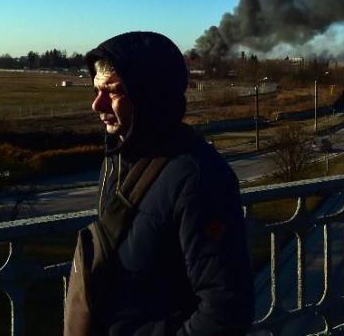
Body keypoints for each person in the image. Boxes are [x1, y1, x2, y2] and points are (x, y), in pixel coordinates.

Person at [78, 31, 254, 335]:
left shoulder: (199, 178)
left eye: (114, 91)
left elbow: (225, 309)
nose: (97, 104)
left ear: (150, 97)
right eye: (96, 90)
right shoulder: (118, 158)